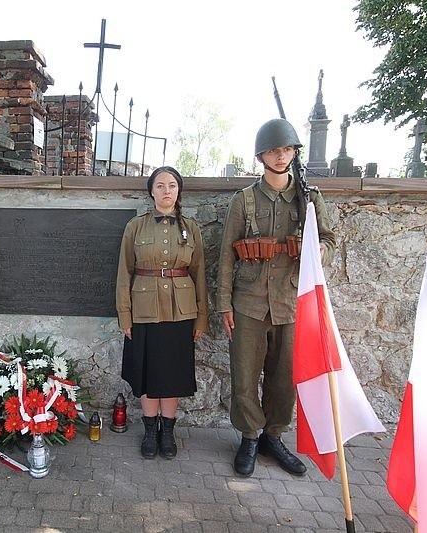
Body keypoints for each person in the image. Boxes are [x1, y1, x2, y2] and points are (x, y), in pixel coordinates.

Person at [217, 118, 336, 477]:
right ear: (261, 156)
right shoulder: (245, 201)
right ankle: (250, 437)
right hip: (250, 303)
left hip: (290, 303)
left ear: (294, 153)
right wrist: (224, 304)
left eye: (286, 149)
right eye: (273, 150)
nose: (280, 156)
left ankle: (274, 436)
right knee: (244, 376)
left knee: (284, 378)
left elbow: (330, 241)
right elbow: (226, 255)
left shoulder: (310, 198)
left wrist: (313, 250)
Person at [116, 166, 208, 459]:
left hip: (181, 313)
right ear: (151, 191)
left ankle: (167, 432)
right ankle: (149, 430)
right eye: (160, 185)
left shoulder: (191, 228)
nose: (166, 190)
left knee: (172, 374)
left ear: (178, 190)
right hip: (144, 311)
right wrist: (125, 315)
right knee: (147, 372)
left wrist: (201, 317)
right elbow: (124, 273)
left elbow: (200, 274)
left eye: (172, 185)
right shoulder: (136, 227)